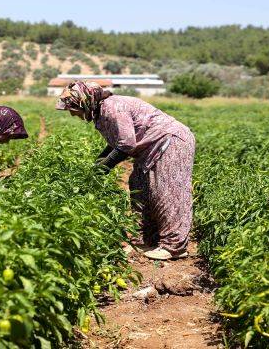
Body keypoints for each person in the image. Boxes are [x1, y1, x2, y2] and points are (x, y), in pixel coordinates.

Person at [56, 82, 195, 260]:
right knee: (139, 187)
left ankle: (174, 247)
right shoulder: (101, 112)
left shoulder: (112, 107)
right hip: (149, 148)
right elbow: (117, 142)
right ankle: (147, 240)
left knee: (168, 192)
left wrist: (103, 168)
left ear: (85, 103)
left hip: (170, 141)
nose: (72, 113)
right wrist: (96, 165)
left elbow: (126, 145)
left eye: (73, 108)